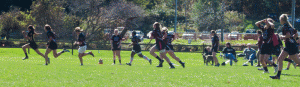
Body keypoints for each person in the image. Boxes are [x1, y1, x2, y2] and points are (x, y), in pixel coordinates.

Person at [270, 14, 300, 79]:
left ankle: (278, 75)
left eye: (280, 19)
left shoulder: (285, 26)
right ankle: (278, 76)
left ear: (282, 20)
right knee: (280, 59)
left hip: (291, 46)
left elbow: (288, 35)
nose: (279, 20)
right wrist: (293, 38)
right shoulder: (289, 26)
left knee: (298, 62)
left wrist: (282, 37)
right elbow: (296, 34)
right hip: (289, 45)